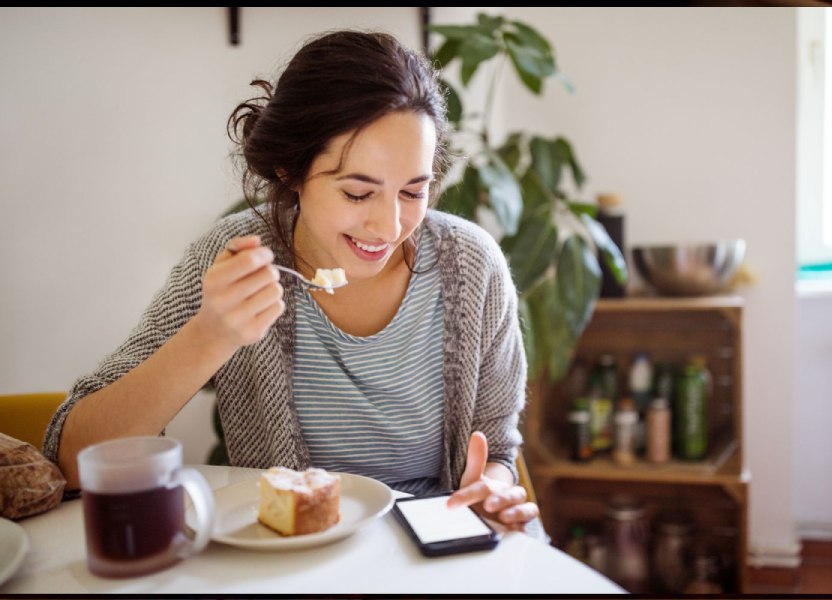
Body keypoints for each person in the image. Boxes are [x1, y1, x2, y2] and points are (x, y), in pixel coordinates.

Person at [43, 29, 540, 532]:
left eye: (413, 192)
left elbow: (496, 450)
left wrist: (491, 491)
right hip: (288, 562)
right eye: (357, 193)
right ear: (290, 171)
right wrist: (210, 337)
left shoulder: (470, 265)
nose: (389, 227)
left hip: (438, 550)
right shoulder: (236, 258)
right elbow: (74, 459)